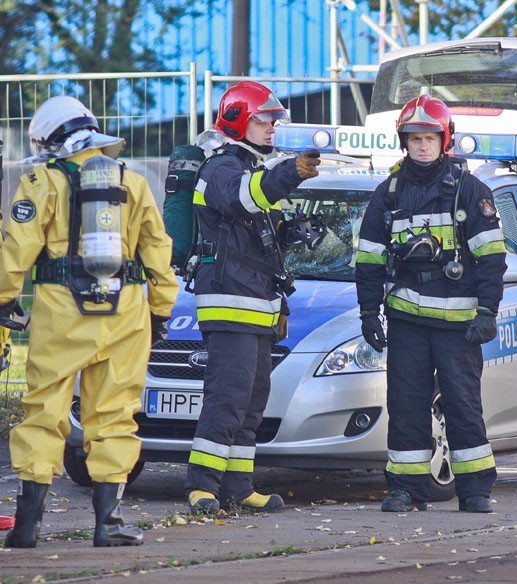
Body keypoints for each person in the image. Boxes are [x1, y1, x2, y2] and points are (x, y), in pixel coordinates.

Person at [1, 95, 178, 547]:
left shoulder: (41, 181)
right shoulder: (132, 182)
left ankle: (26, 528)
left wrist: (3, 302)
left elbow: (14, 251)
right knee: (116, 415)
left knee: (44, 411)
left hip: (62, 313)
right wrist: (159, 311)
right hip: (126, 312)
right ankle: (109, 524)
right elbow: (157, 252)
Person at [355, 94, 508, 512]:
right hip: (406, 321)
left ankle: (475, 490)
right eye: (414, 137)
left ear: (446, 140)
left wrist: (487, 312)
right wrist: (369, 311)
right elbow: (368, 259)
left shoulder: (469, 192)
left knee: (462, 405)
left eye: (429, 137)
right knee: (406, 406)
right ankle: (406, 490)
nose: (422, 145)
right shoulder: (387, 194)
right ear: (403, 142)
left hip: (459, 325)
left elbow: (492, 258)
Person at [184, 81, 321, 514]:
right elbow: (244, 199)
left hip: (258, 304)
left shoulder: (253, 167)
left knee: (251, 403)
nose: (272, 128)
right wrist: (290, 173)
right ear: (238, 120)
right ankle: (202, 486)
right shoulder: (220, 169)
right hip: (229, 302)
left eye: (275, 120)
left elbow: (266, 242)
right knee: (227, 398)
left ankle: (239, 487)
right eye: (264, 120)